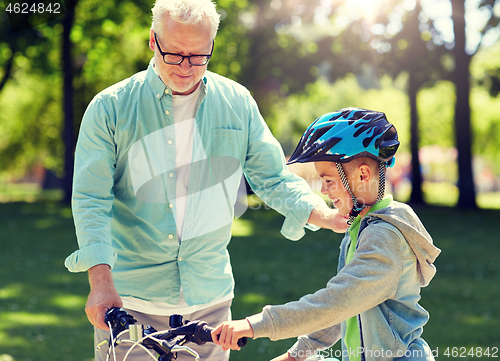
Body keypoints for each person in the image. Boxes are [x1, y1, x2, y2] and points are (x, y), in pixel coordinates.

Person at [64, 0, 347, 360]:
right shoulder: (110, 108)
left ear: (212, 46)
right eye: (175, 54)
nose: (186, 67)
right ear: (153, 41)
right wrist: (100, 284)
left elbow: (272, 177)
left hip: (210, 303)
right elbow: (91, 199)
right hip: (130, 305)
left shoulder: (238, 102)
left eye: (198, 56)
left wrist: (324, 215)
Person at [212, 108, 441, 361]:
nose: (323, 189)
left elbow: (336, 303)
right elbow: (348, 307)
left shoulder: (384, 237)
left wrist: (256, 324)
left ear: (362, 175)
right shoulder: (363, 226)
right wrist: (298, 355)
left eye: (329, 180)